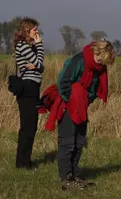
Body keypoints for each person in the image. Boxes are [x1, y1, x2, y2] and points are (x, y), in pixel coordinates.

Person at [39, 39, 115, 191]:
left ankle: (75, 174)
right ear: (97, 52)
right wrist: (71, 101)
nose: (102, 64)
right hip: (67, 105)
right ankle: (65, 178)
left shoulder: (98, 68)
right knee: (67, 142)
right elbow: (63, 82)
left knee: (79, 141)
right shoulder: (78, 61)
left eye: (105, 62)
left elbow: (94, 89)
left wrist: (85, 101)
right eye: (101, 60)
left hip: (81, 106)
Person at [13, 18, 44, 169]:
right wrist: (39, 46)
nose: (37, 32)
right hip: (27, 89)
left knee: (31, 127)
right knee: (28, 127)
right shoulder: (22, 45)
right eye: (34, 30)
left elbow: (40, 66)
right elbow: (38, 62)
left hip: (33, 88)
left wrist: (38, 64)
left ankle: (25, 161)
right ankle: (23, 163)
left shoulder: (29, 46)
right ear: (27, 31)